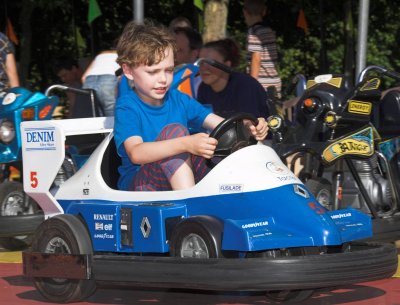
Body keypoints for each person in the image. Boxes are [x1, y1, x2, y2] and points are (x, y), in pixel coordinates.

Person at [114, 21, 269, 192]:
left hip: (176, 180)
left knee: (214, 148)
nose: (163, 79)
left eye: (169, 70)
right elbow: (136, 154)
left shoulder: (179, 100)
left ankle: (251, 194)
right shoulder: (127, 106)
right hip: (141, 184)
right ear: (128, 71)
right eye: (153, 72)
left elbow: (222, 125)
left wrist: (248, 126)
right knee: (175, 132)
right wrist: (185, 143)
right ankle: (190, 203)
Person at [197, 38, 269, 118]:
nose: (203, 67)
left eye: (210, 62)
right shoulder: (203, 89)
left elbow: (250, 125)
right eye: (201, 62)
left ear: (227, 64)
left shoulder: (245, 86)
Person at [243, 0, 281, 96]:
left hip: (261, 84)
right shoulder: (268, 30)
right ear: (264, 11)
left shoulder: (254, 32)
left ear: (245, 12)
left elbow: (256, 58)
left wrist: (252, 84)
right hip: (274, 82)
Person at [82, 50, 120, 116]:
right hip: (108, 79)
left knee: (95, 113)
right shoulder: (122, 55)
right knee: (111, 112)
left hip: (89, 81)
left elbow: (83, 78)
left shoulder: (100, 55)